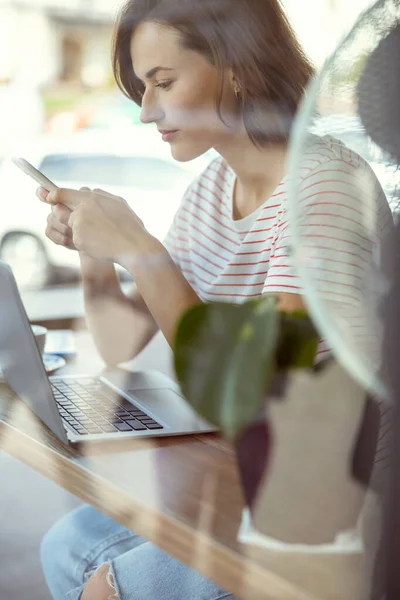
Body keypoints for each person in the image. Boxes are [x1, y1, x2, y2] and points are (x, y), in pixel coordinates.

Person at [38, 0, 393, 599]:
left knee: (104, 587)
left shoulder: (325, 190)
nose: (147, 111)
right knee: (65, 547)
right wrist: (97, 254)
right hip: (246, 472)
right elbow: (121, 341)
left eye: (163, 83)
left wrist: (144, 250)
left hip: (324, 514)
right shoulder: (213, 188)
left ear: (236, 65)